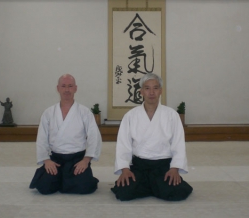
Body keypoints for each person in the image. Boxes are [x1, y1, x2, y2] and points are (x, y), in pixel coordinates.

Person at [111, 73, 193, 201]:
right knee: (124, 193)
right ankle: (155, 186)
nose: (151, 92)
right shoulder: (130, 116)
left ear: (160, 91)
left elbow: (178, 144)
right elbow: (123, 145)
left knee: (176, 193)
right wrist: (125, 169)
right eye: (147, 88)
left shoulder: (171, 115)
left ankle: (152, 186)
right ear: (141, 91)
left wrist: (174, 168)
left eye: (155, 88)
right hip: (139, 165)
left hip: (163, 166)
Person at [29, 74, 102, 195]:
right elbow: (41, 138)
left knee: (85, 188)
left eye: (70, 86)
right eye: (63, 86)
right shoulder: (48, 113)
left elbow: (94, 137)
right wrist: (46, 160)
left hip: (77, 159)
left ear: (75, 88)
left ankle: (72, 178)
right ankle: (63, 179)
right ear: (58, 88)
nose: (67, 89)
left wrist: (86, 159)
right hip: (56, 159)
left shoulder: (84, 112)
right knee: (44, 188)